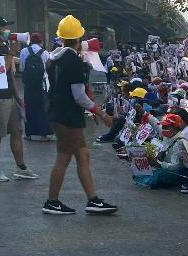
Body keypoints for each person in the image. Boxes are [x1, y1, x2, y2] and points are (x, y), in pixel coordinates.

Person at [42, 15, 117, 216]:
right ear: (79, 38)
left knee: (82, 154)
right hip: (69, 115)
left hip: (59, 112)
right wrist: (101, 112)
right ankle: (52, 201)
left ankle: (92, 199)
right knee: (64, 157)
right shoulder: (72, 61)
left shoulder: (53, 57)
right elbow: (79, 95)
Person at [0, 17, 36, 182]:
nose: (8, 31)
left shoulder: (3, 46)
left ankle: (21, 167)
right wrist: (12, 53)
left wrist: (18, 97)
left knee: (17, 131)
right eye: (4, 27)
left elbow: (9, 74)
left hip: (8, 97)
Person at [19, 33, 53, 141]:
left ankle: (28, 134)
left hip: (28, 84)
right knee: (43, 108)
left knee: (28, 107)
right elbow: (48, 69)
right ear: (41, 42)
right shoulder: (45, 53)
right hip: (42, 84)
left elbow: (21, 68)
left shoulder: (24, 51)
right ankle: (43, 135)